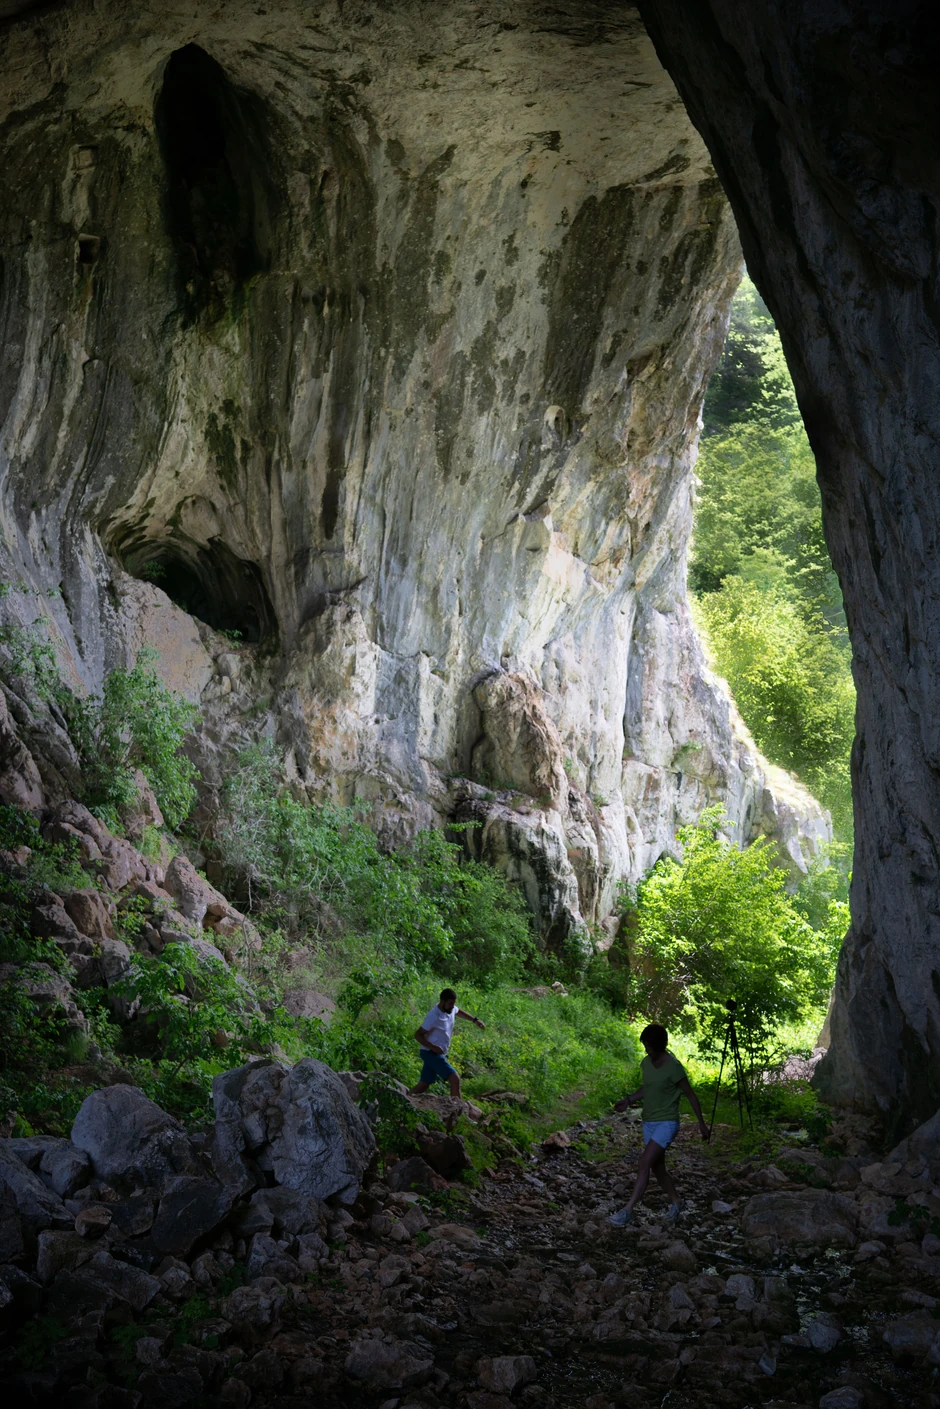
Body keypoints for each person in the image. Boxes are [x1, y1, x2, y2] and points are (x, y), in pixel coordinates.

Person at [608, 1022, 709, 1227]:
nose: (646, 1048)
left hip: (667, 1123)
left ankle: (628, 1210)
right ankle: (677, 1202)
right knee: (658, 1168)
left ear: (658, 1045)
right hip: (649, 1122)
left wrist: (702, 1124)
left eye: (648, 1045)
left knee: (644, 1162)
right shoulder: (646, 1063)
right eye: (645, 1045)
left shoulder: (673, 1067)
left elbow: (690, 1095)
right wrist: (629, 1101)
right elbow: (647, 1088)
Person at [409, 987, 485, 1100]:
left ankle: (404, 1099)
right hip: (430, 1053)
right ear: (442, 1001)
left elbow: (458, 1011)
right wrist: (433, 1047)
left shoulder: (451, 1009)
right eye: (450, 1004)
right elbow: (417, 1035)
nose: (452, 1006)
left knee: (425, 1083)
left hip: (438, 1053)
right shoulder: (434, 1016)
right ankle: (458, 1111)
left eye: (453, 1003)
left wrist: (475, 1020)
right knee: (455, 1079)